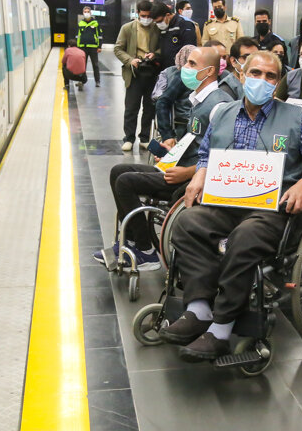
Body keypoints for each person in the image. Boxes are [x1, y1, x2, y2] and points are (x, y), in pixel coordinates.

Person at [161, 51, 302, 360]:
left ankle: (221, 328)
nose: (262, 81)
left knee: (244, 237)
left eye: (271, 76)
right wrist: (199, 175)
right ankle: (199, 309)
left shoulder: (295, 117)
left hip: (270, 208)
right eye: (255, 73)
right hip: (225, 200)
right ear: (242, 76)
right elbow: (206, 153)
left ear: (278, 82)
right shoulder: (223, 113)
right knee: (188, 223)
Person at [93, 47, 232, 270]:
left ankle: (145, 251)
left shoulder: (219, 106)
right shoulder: (198, 99)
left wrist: (187, 173)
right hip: (182, 167)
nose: (185, 68)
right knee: (118, 171)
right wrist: (173, 150)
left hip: (191, 179)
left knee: (125, 182)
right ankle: (130, 243)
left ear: (209, 71)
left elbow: (225, 156)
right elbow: (198, 142)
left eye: (192, 64)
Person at [114, 0, 162, 151]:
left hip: (152, 72)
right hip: (134, 73)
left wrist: (155, 55)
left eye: (149, 16)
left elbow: (163, 48)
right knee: (131, 108)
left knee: (149, 108)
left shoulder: (157, 28)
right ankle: (128, 138)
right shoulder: (127, 28)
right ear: (138, 14)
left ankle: (144, 138)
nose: (146, 19)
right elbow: (118, 49)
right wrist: (130, 60)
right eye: (143, 16)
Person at [154, 45, 197, 141]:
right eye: (189, 62)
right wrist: (167, 136)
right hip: (184, 122)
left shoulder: (219, 76)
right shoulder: (180, 77)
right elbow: (161, 100)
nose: (188, 66)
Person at [155, 1, 196, 69]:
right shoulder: (164, 26)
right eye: (156, 22)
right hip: (166, 68)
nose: (159, 24)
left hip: (181, 68)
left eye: (160, 21)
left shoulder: (185, 24)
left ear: (168, 15)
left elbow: (190, 49)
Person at [76, 6, 102, 87]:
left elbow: (99, 36)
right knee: (82, 65)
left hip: (93, 47)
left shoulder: (96, 23)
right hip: (82, 47)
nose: (86, 13)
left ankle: (97, 81)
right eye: (85, 12)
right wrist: (77, 47)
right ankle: (82, 81)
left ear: (90, 13)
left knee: (95, 65)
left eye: (88, 12)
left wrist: (99, 46)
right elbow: (78, 36)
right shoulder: (80, 23)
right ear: (83, 13)